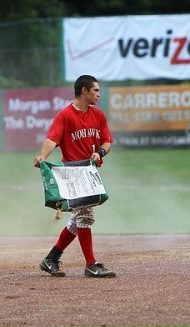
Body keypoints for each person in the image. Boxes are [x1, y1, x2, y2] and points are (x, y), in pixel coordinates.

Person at [33, 75, 116, 278]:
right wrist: (43, 156)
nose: (99, 94)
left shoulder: (98, 115)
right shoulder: (65, 116)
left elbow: (107, 142)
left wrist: (100, 153)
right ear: (83, 91)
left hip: (89, 172)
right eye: (95, 90)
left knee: (77, 219)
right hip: (71, 173)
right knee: (86, 216)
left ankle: (51, 259)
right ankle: (91, 264)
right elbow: (53, 139)